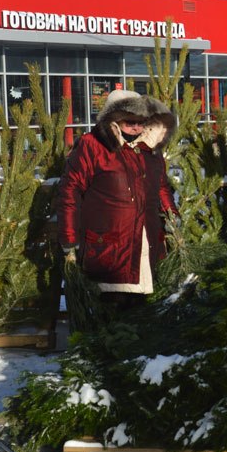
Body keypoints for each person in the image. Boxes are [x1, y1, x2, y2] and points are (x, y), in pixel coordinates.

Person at [56, 89, 177, 310]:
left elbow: (161, 186)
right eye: (130, 121)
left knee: (142, 311)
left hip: (147, 243)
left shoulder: (150, 149)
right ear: (114, 120)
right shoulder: (91, 145)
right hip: (108, 248)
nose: (136, 127)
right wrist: (69, 239)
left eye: (141, 122)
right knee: (111, 311)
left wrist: (172, 217)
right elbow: (69, 191)